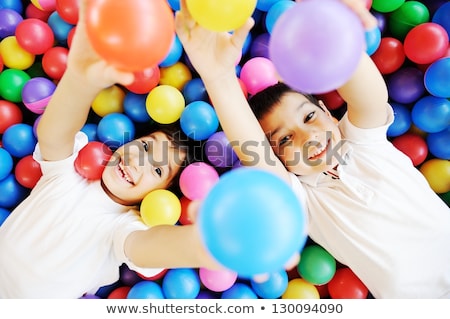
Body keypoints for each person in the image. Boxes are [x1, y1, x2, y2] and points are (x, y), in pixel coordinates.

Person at [175, 0, 450, 298]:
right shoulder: (302, 200)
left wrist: (332, 20)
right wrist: (219, 78)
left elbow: (370, 96)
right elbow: (250, 145)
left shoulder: (364, 143)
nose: (307, 137)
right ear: (277, 158)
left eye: (309, 117)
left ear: (328, 112)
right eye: (284, 140)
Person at [0, 0, 220, 299]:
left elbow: (150, 248)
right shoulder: (70, 174)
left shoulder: (123, 227)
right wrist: (78, 80)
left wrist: (213, 248)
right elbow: (53, 135)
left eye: (158, 170)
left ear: (162, 195)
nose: (139, 162)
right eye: (144, 146)